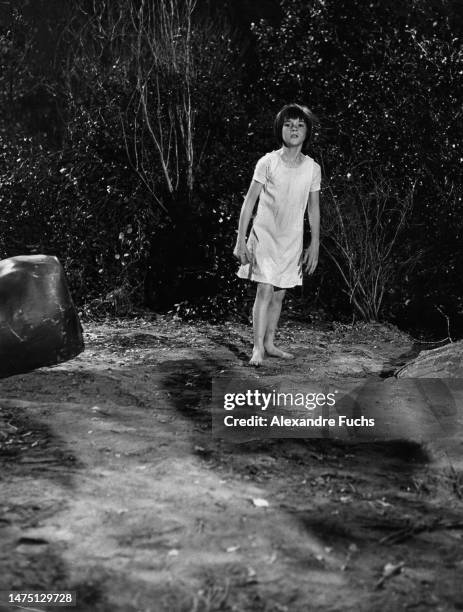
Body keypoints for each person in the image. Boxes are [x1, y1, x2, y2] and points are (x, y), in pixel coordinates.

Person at [233, 103, 321, 366]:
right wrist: (240, 240)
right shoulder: (267, 162)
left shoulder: (312, 168)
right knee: (264, 288)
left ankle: (270, 342)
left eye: (299, 125)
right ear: (279, 129)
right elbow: (249, 203)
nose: (294, 129)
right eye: (288, 124)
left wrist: (314, 242)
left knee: (280, 293)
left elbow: (314, 208)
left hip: (290, 240)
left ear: (307, 132)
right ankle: (257, 348)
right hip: (264, 236)